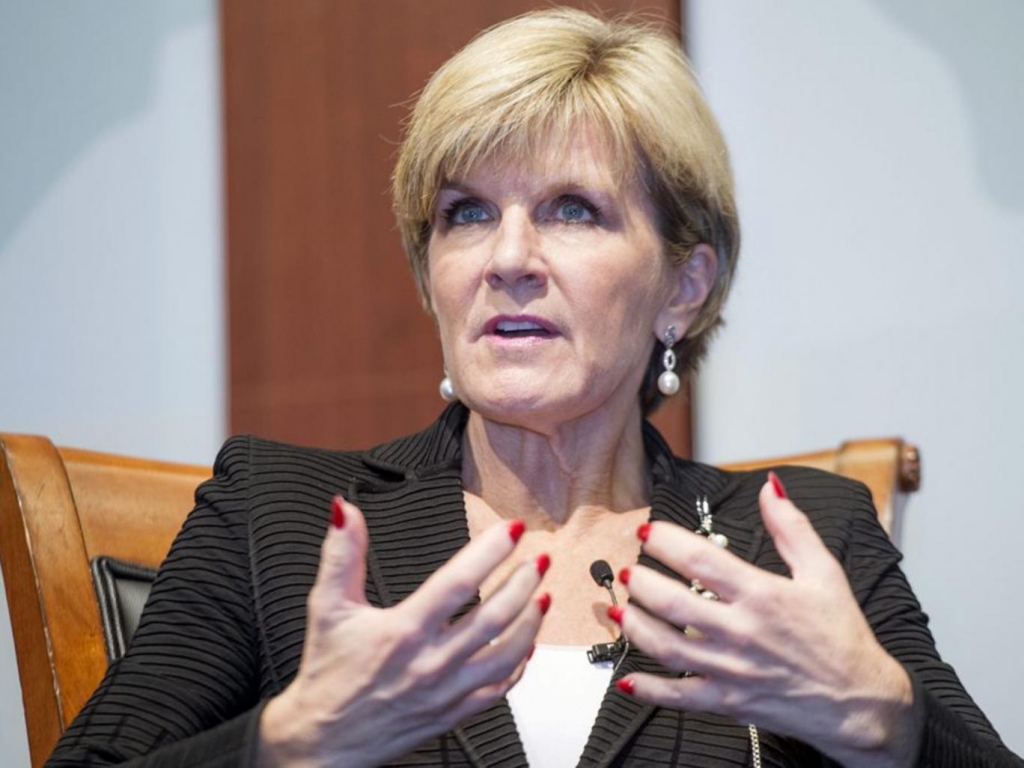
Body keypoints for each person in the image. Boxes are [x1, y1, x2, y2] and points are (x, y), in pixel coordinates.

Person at [48, 8, 1021, 768]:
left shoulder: (794, 534)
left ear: (683, 286)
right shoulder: (282, 514)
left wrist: (884, 721)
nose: (507, 257)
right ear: (430, 271)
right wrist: (296, 742)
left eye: (571, 209)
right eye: (466, 213)